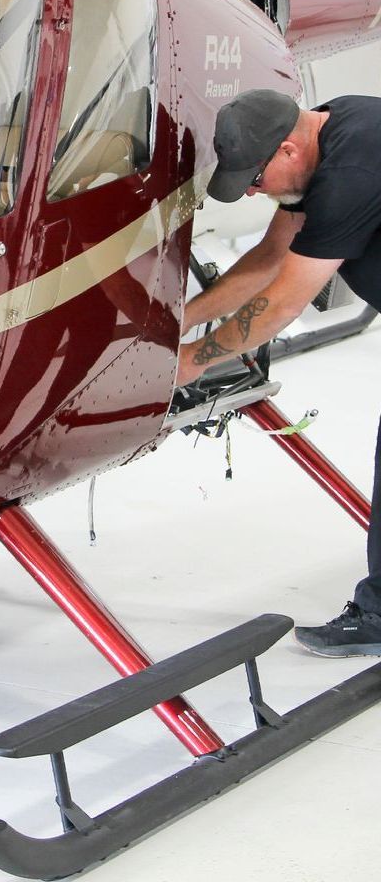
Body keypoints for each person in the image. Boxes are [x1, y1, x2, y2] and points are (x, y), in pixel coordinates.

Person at [177, 87, 381, 657]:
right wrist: (176, 325)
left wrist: (192, 362)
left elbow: (286, 299)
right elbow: (270, 260)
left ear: (288, 150)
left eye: (254, 180)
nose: (250, 190)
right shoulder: (330, 128)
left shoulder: (352, 170)